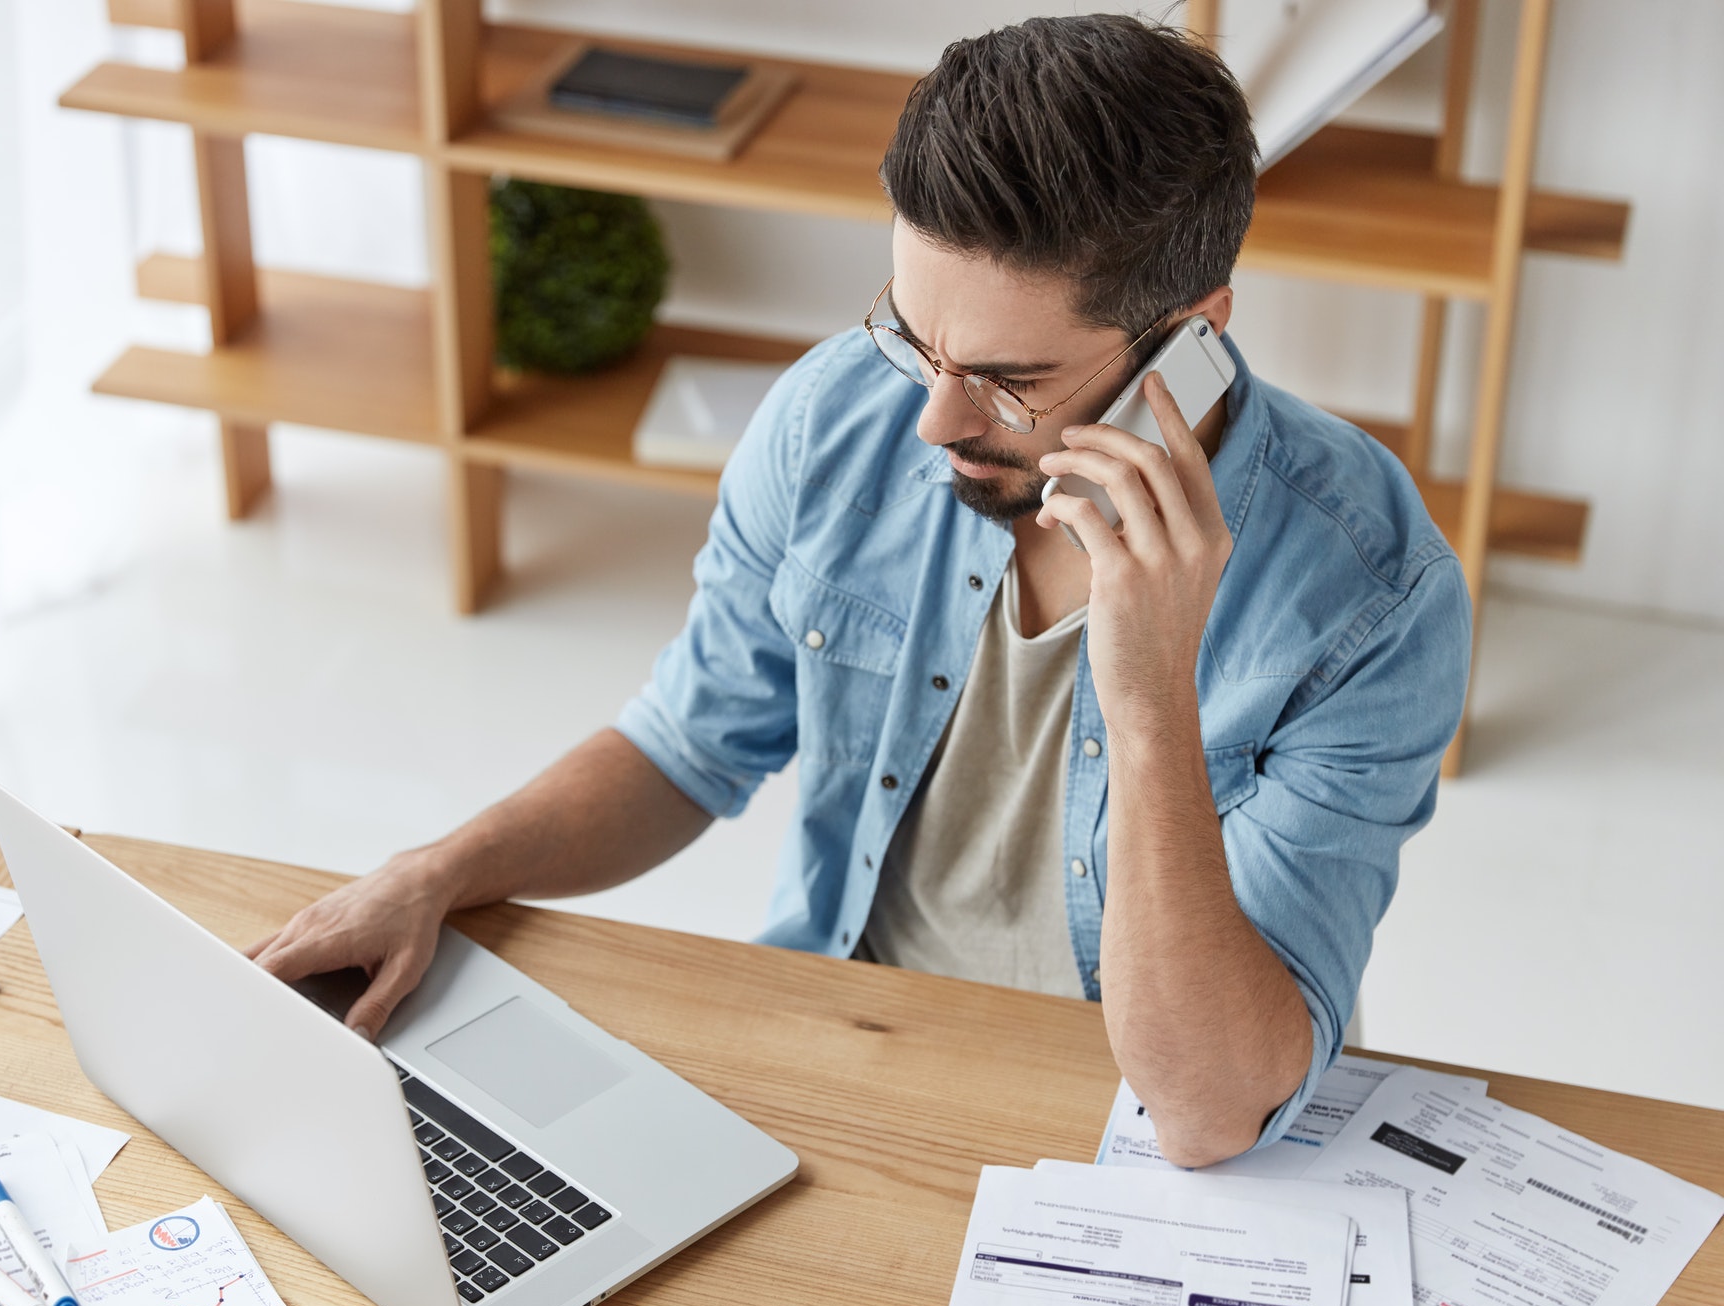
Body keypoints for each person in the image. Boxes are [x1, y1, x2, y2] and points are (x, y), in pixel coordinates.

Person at [248, 15, 1472, 1168]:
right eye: (914, 338)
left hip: (1142, 1130)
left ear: (1190, 333)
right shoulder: (840, 414)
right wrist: (438, 871)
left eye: (1005, 380)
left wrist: (1146, 693)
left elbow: (1210, 1110)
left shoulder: (1368, 591)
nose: (932, 418)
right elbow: (687, 745)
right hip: (853, 1039)